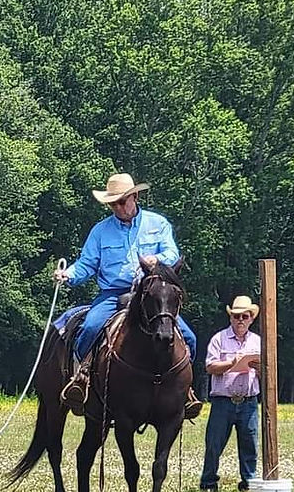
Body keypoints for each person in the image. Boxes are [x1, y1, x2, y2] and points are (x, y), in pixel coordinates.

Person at [53, 172, 203, 419]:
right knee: (90, 328)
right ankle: (82, 379)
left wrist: (159, 259)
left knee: (189, 338)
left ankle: (185, 390)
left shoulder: (158, 224)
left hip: (151, 295)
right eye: (113, 203)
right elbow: (86, 264)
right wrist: (67, 275)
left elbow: (172, 253)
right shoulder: (100, 231)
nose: (118, 207)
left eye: (122, 201)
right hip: (112, 294)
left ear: (135, 197)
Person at [199, 296, 262, 492]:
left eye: (245, 316)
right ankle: (209, 483)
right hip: (222, 401)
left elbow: (267, 373)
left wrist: (259, 368)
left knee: (250, 444)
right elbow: (210, 366)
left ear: (251, 318)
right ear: (231, 318)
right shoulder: (219, 339)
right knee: (214, 445)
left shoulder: (258, 341)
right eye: (236, 316)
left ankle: (249, 483)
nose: (240, 320)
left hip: (249, 401)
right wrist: (232, 363)